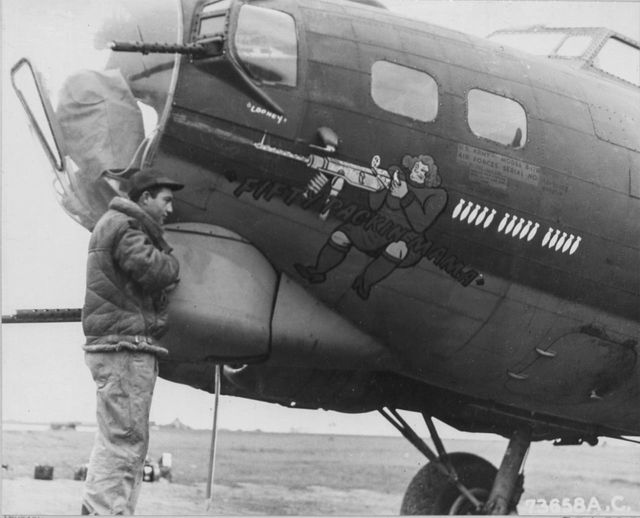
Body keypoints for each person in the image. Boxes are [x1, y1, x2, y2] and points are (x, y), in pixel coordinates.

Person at [81, 167, 184, 515]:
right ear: (145, 198)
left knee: (116, 441)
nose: (170, 209)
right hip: (124, 348)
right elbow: (153, 269)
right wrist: (173, 263)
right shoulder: (125, 226)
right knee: (124, 443)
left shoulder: (113, 223)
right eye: (166, 200)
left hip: (113, 348)